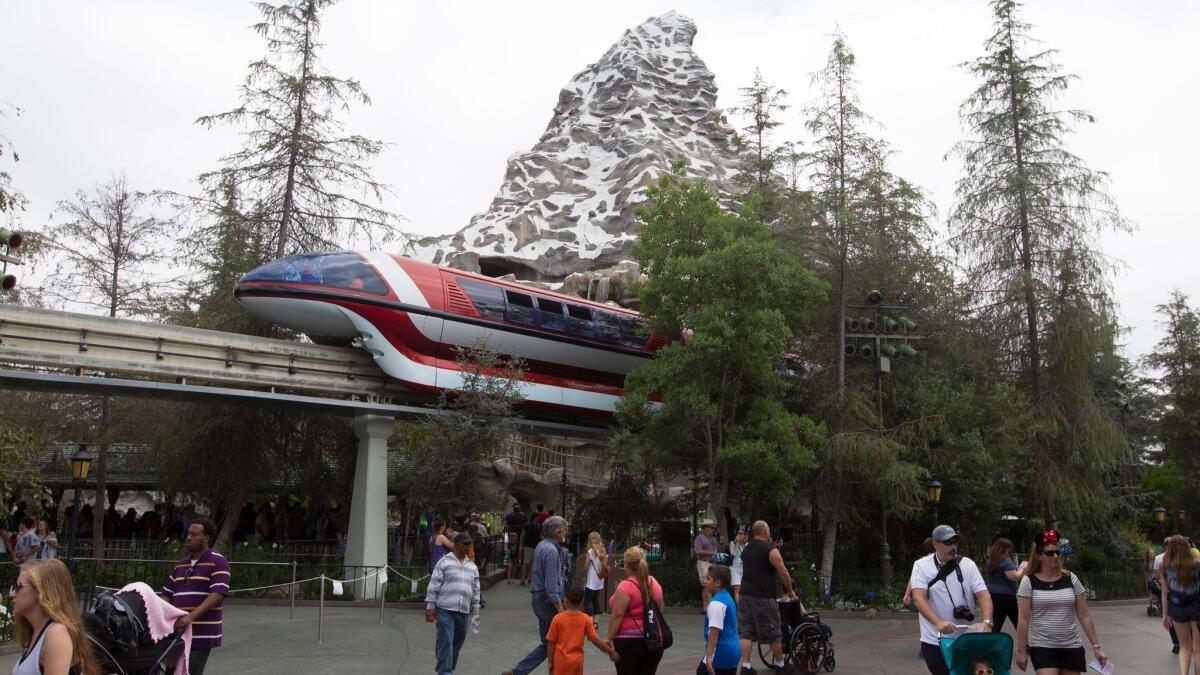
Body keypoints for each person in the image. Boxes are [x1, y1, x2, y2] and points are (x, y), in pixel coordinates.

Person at [1015, 529, 1107, 675]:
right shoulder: (1029, 581)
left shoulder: (1070, 578)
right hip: (1042, 644)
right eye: (1050, 553)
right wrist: (1022, 651)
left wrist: (1097, 646)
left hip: (1071, 645)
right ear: (1039, 556)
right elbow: (1023, 619)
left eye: (1058, 552)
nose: (1055, 556)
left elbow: (1084, 616)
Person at [910, 525, 993, 675]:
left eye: (955, 542)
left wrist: (987, 622)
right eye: (948, 543)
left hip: (966, 638)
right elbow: (918, 598)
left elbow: (983, 595)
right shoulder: (921, 566)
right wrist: (938, 623)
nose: (953, 546)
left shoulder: (968, 564)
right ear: (935, 544)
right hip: (936, 640)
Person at [161, 517, 231, 675]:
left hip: (201, 632)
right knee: (171, 671)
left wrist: (190, 617)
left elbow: (217, 594)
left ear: (206, 538)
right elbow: (166, 593)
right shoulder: (182, 565)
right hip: (177, 631)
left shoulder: (218, 562)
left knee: (192, 671)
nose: (188, 538)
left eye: (194, 535)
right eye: (188, 534)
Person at [504, 515, 571, 675]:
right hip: (547, 601)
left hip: (540, 598)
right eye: (564, 530)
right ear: (558, 532)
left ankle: (518, 671)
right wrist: (561, 609)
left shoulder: (543, 545)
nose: (566, 532)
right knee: (552, 642)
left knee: (548, 642)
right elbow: (551, 585)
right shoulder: (551, 551)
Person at [9, 559, 99, 675]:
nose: (12, 594)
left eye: (18, 586)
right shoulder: (38, 632)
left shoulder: (56, 633)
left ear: (41, 591)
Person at [738, 520, 802, 674]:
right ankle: (780, 665)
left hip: (745, 595)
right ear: (765, 531)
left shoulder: (745, 551)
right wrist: (790, 591)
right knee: (774, 631)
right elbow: (783, 572)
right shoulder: (771, 549)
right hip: (764, 597)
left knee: (745, 631)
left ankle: (746, 666)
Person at [425, 532, 481, 675]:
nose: (469, 547)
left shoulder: (472, 567)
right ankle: (445, 672)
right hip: (445, 610)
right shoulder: (444, 562)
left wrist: (475, 613)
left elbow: (476, 591)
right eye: (465, 544)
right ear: (456, 545)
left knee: (457, 643)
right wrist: (430, 607)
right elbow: (434, 585)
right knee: (445, 642)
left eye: (470, 544)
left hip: (463, 612)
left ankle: (447, 667)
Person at [605, 546, 666, 674]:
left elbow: (617, 614)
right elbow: (660, 608)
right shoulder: (654, 582)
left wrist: (609, 638)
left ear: (626, 565)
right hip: (652, 639)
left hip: (629, 641)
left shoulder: (626, 586)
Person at [546, 584, 619, 675]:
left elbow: (551, 642)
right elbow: (595, 640)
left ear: (565, 600)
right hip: (577, 661)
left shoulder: (557, 618)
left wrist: (550, 661)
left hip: (561, 661)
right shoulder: (585, 619)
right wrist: (610, 652)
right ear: (582, 602)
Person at [1161, 534, 1200, 675]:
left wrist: (1165, 614)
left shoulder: (1164, 567)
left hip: (1177, 609)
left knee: (1184, 647)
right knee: (1198, 649)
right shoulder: (1196, 565)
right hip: (1196, 608)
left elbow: (1165, 593)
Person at [700, 564, 740, 675]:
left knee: (702, 671)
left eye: (708, 578)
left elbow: (714, 631)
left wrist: (708, 657)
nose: (706, 581)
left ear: (717, 583)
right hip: (732, 649)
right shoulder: (727, 597)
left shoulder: (716, 603)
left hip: (721, 652)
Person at [985, 538, 1019, 632]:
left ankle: (993, 642)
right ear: (1006, 549)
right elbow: (1014, 577)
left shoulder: (991, 561)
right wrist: (1021, 570)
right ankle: (1025, 642)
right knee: (1017, 621)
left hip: (992, 594)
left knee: (997, 621)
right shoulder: (1006, 561)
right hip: (1007, 596)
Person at [1156, 537, 1184, 654]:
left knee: (1172, 621)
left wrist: (1165, 614)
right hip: (1188, 599)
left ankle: (1178, 643)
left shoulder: (1162, 561)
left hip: (1174, 598)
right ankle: (1183, 644)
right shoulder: (1189, 561)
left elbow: (1165, 590)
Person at [694, 519, 719, 608]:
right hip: (703, 563)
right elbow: (698, 551)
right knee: (707, 585)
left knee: (706, 586)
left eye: (713, 528)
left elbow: (717, 551)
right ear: (706, 528)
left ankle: (705, 607)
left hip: (712, 563)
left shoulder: (713, 538)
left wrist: (722, 544)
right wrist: (712, 553)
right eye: (711, 528)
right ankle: (709, 606)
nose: (713, 529)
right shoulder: (699, 538)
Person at [584, 531, 609, 619]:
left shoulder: (591, 551)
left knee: (587, 601)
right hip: (599, 580)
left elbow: (586, 566)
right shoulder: (603, 551)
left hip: (591, 580)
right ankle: (596, 623)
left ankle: (589, 623)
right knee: (595, 600)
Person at [728, 528, 747, 603]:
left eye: (742, 533)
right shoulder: (732, 543)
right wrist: (737, 543)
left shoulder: (747, 545)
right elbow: (734, 554)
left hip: (744, 569)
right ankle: (739, 609)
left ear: (745, 536)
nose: (740, 535)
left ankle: (743, 607)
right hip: (734, 569)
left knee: (743, 589)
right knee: (737, 588)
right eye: (738, 533)